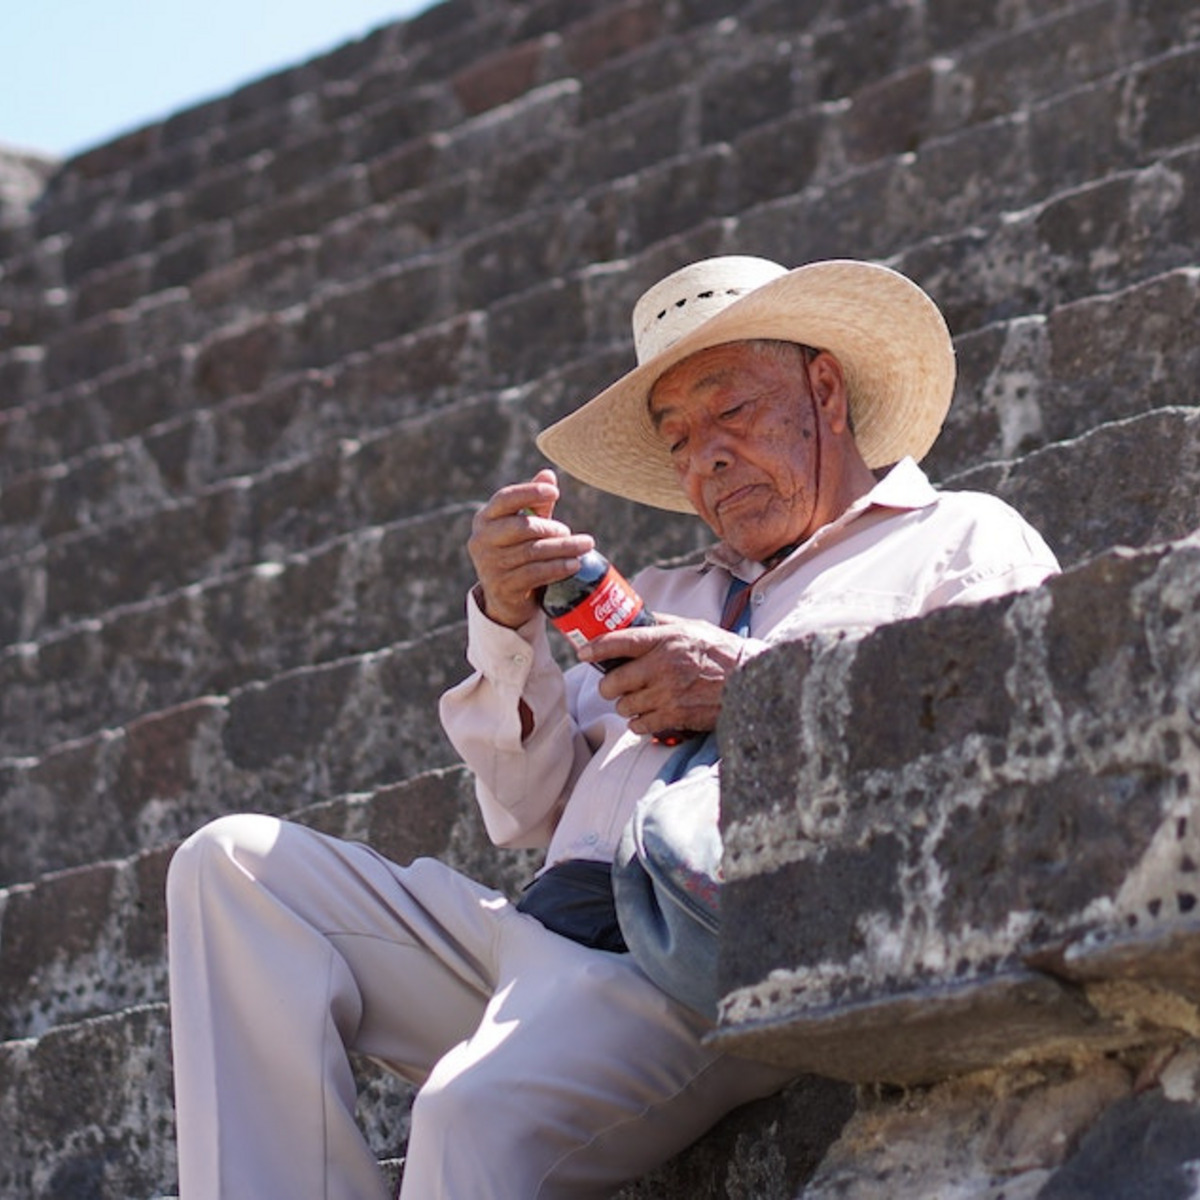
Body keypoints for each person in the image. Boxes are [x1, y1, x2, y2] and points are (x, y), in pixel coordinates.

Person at [166, 256, 1060, 1199]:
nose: (703, 457)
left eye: (731, 412)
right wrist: (509, 629)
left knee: (470, 1113)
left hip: (705, 954)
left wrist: (753, 690)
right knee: (234, 865)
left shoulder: (960, 537)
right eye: (676, 438)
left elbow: (1007, 725)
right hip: (538, 941)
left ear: (825, 388)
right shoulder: (665, 594)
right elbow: (522, 811)